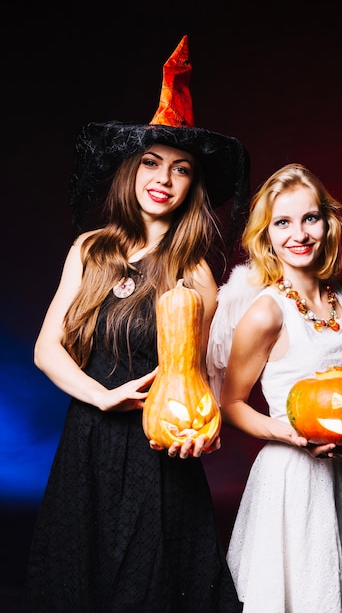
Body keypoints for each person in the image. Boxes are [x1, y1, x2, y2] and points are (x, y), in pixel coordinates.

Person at [23, 36, 249, 612]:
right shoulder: (90, 250)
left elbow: (197, 372)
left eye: (180, 170)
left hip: (158, 450)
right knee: (82, 576)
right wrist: (102, 397)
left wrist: (206, 425)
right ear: (131, 170)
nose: (163, 179)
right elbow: (48, 349)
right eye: (151, 163)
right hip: (90, 441)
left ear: (192, 187)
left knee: (149, 584)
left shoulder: (192, 269)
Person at [207, 163, 342, 613]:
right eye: (283, 222)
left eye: (309, 218)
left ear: (328, 223)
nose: (299, 233)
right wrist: (295, 436)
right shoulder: (266, 313)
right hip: (295, 476)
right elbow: (232, 403)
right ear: (267, 235)